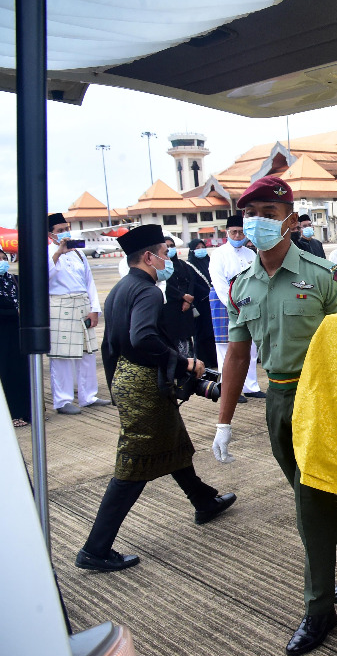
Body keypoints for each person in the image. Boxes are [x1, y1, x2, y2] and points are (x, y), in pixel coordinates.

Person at [213, 176, 337, 656]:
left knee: (309, 506)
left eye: (269, 213)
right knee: (314, 497)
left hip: (321, 399)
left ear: (289, 218)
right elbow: (238, 357)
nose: (258, 223)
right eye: (251, 214)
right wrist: (224, 421)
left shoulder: (323, 275)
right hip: (278, 399)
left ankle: (318, 609)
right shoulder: (241, 283)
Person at [75, 225, 235, 573]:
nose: (168, 259)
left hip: (128, 378)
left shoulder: (121, 288)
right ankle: (95, 547)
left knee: (173, 442)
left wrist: (117, 381)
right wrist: (184, 363)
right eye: (164, 252)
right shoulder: (148, 291)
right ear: (148, 257)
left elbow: (111, 345)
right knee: (134, 464)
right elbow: (143, 336)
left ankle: (203, 500)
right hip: (144, 382)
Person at [46, 212, 110, 414]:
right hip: (60, 305)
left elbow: (89, 282)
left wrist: (94, 309)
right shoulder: (47, 252)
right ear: (50, 234)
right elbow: (42, 277)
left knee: (87, 353)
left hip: (82, 304)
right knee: (62, 355)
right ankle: (63, 400)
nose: (65, 233)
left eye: (66, 228)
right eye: (60, 230)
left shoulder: (79, 253)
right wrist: (58, 253)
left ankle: (88, 396)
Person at [208, 215, 264, 401]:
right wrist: (234, 306)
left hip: (249, 304)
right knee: (226, 347)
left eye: (241, 232)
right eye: (234, 232)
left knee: (251, 346)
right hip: (225, 303)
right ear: (227, 233)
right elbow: (220, 284)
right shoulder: (218, 254)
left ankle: (250, 386)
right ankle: (228, 388)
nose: (238, 235)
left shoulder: (251, 254)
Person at [161, 237, 208, 359]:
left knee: (186, 339)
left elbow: (190, 280)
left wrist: (188, 298)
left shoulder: (182, 264)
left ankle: (189, 366)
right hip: (171, 306)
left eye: (172, 245)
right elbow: (165, 284)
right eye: (167, 247)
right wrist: (182, 296)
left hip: (185, 308)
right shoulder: (161, 266)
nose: (170, 249)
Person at [0, 246, 32, 426]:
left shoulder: (14, 280)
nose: (2, 262)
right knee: (7, 373)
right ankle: (13, 414)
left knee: (23, 371)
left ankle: (28, 411)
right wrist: (16, 313)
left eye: (3, 258)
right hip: (4, 336)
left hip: (19, 334)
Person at [186, 238, 217, 368]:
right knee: (202, 333)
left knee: (213, 332)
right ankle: (204, 360)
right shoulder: (189, 265)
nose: (201, 250)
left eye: (202, 247)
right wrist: (207, 292)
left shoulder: (209, 262)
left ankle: (214, 359)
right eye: (197, 248)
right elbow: (192, 284)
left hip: (213, 303)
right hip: (201, 303)